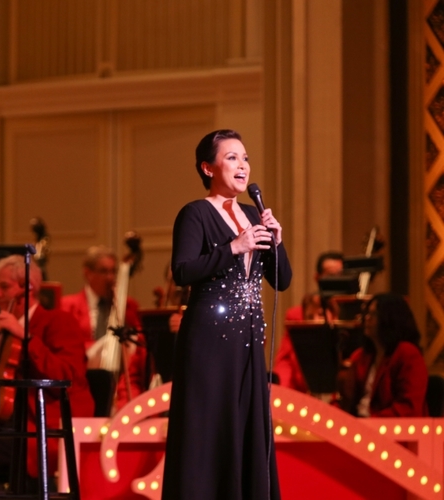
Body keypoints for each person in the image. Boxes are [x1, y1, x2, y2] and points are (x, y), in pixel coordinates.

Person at [161, 129, 292, 500]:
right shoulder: (195, 214)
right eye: (232, 157)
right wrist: (234, 246)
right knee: (207, 432)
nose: (242, 165)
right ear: (208, 167)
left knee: (247, 429)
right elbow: (183, 270)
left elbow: (282, 282)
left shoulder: (253, 214)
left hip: (248, 342)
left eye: (245, 158)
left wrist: (276, 244)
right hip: (208, 343)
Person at [0, 255, 94, 499]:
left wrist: (26, 337)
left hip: (43, 429)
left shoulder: (58, 321)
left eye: (4, 287)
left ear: (28, 288)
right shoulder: (6, 335)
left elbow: (67, 376)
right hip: (10, 428)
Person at [60, 245, 148, 408]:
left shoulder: (128, 306)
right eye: (104, 271)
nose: (110, 278)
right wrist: (97, 349)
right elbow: (65, 345)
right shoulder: (67, 306)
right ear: (88, 273)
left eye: (113, 271)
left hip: (120, 383)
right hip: (82, 380)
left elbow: (141, 346)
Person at [336, 293, 428, 417]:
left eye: (373, 314)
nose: (367, 318)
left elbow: (408, 408)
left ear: (390, 318)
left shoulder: (407, 354)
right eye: (366, 314)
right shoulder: (362, 355)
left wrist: (368, 423)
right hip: (359, 427)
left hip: (391, 431)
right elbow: (343, 400)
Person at [273, 251, 343, 392]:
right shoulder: (296, 315)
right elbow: (285, 361)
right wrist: (285, 394)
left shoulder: (352, 315)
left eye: (340, 275)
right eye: (330, 275)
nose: (336, 280)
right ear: (318, 277)